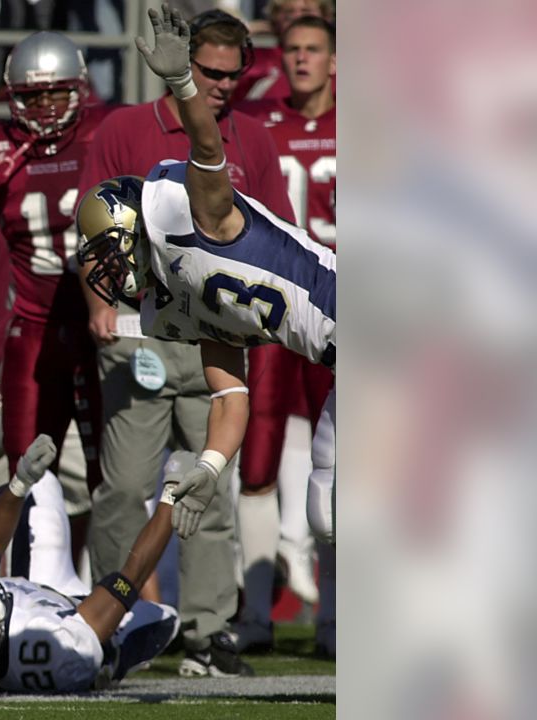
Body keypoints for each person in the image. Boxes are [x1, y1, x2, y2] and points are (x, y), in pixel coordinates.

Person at [75, 5, 336, 661]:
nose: (113, 266)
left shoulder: (203, 218)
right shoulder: (177, 296)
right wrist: (210, 466)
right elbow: (230, 395)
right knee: (328, 513)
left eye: (115, 248)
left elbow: (209, 148)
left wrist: (185, 87)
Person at [0, 31, 116, 568]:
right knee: (25, 470)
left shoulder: (108, 133)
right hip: (35, 328)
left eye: (55, 94)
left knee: (110, 475)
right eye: (32, 95)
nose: (43, 107)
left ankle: (102, 594)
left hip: (105, 324)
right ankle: (25, 584)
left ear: (80, 89)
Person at [0, 431, 186, 692]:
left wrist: (19, 482)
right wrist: (172, 492)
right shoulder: (48, 652)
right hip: (78, 618)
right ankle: (112, 661)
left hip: (37, 590)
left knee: (41, 485)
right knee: (164, 618)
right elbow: (131, 577)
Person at [235, 15, 336, 655]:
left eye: (313, 51)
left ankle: (333, 621)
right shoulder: (256, 120)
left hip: (348, 305)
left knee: (352, 468)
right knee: (258, 457)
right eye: (292, 50)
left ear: (334, 60)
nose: (300, 61)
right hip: (276, 302)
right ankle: (255, 616)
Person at [232, 0, 334, 103]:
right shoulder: (251, 60)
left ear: (325, 17)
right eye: (289, 13)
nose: (297, 17)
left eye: (306, 12)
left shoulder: (343, 65)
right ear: (275, 19)